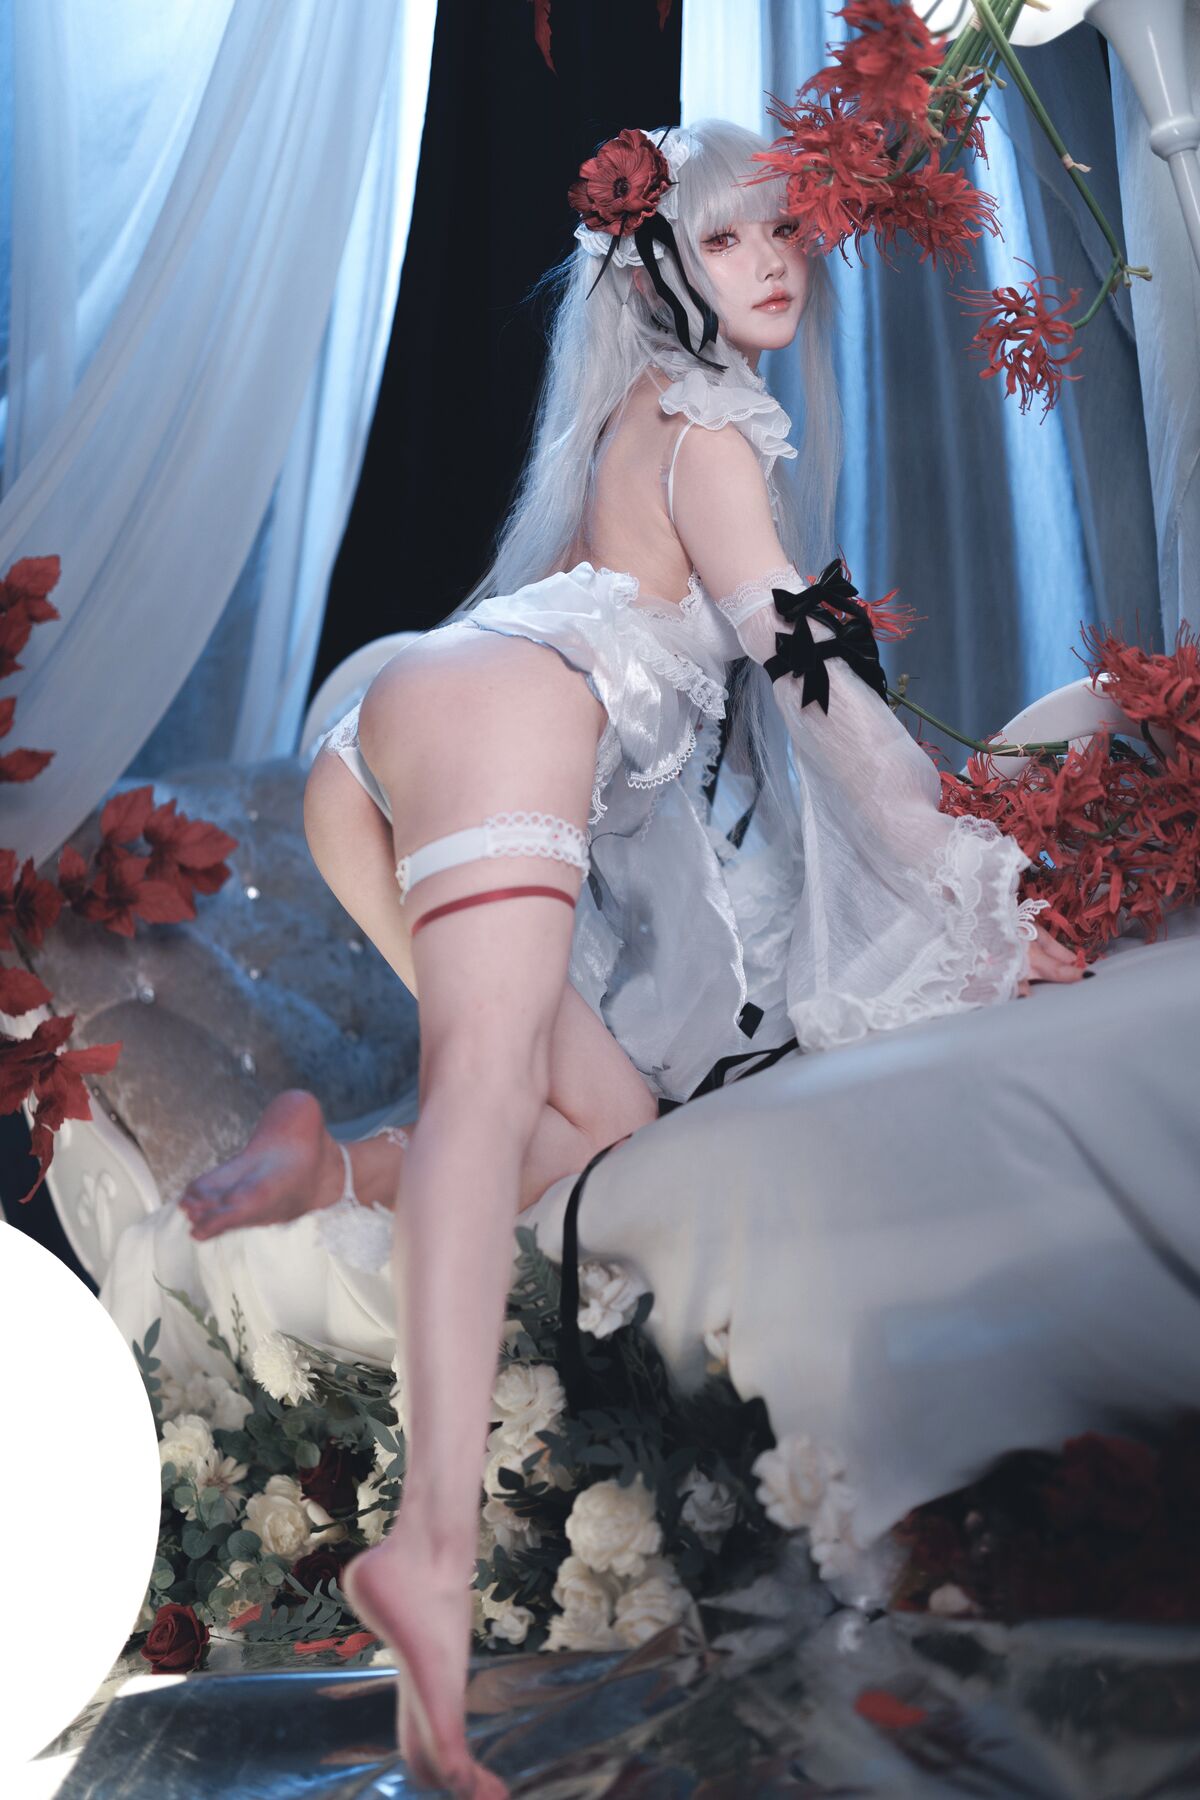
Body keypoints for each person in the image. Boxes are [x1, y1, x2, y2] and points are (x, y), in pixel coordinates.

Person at [178, 119, 1083, 1797]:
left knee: (600, 1125)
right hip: (488, 707)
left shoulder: (632, 422)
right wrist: (978, 887)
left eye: (785, 234)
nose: (775, 263)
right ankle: (430, 1548)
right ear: (657, 268)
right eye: (728, 238)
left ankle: (326, 1170)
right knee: (488, 1084)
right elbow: (814, 690)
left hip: (383, 745)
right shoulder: (712, 422)